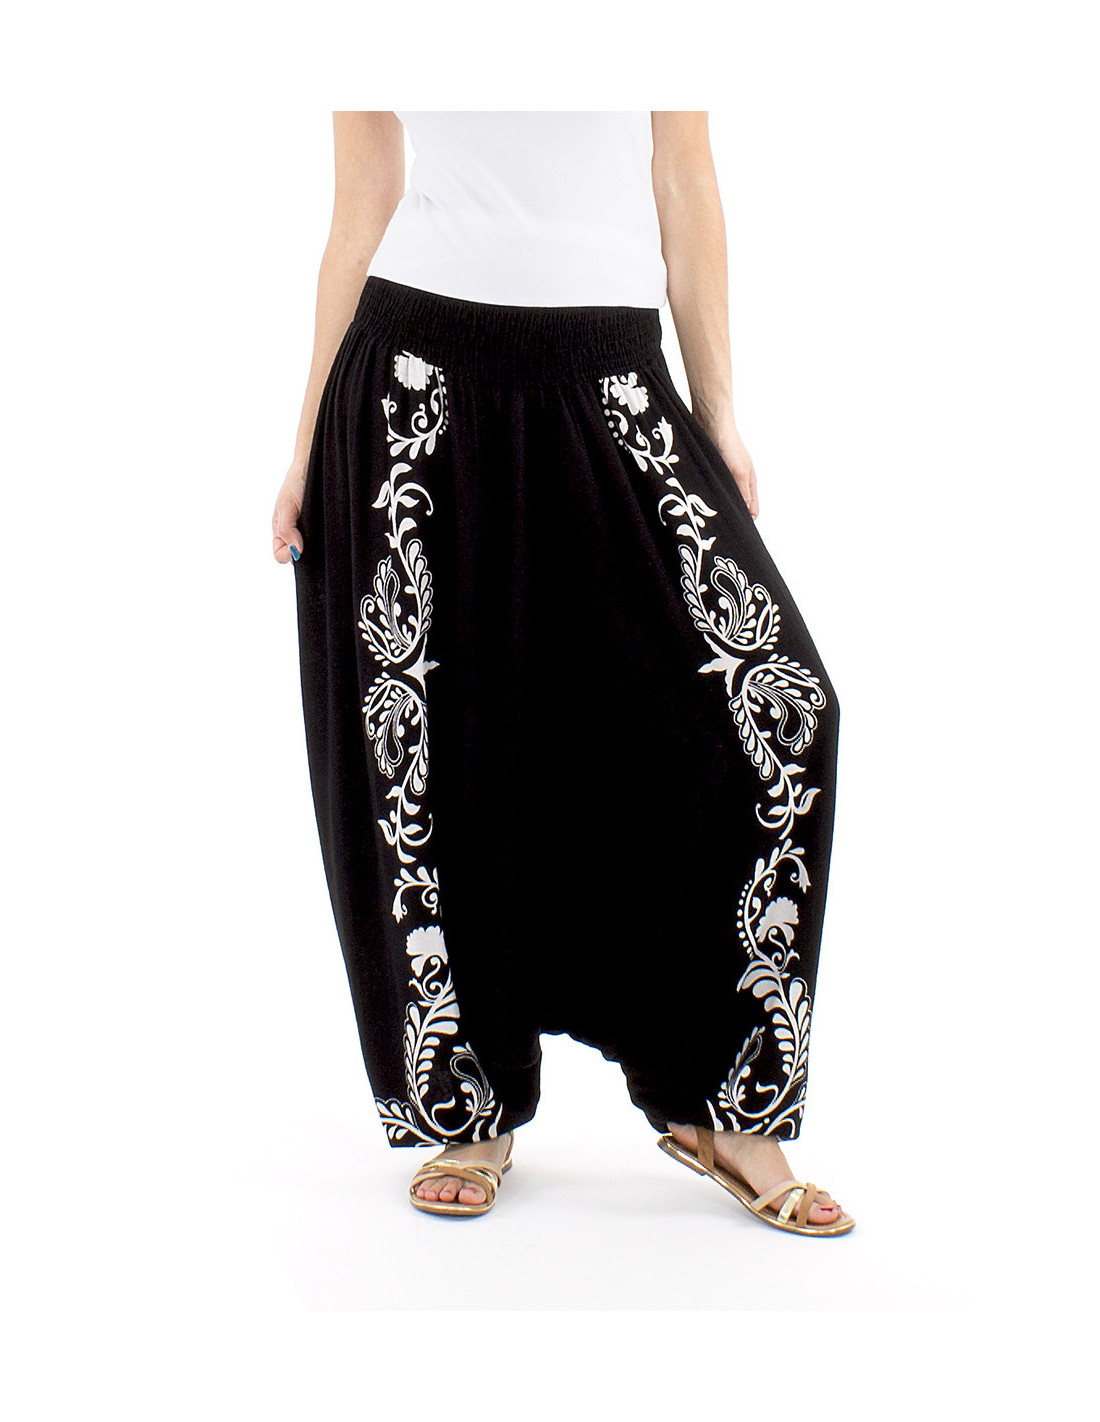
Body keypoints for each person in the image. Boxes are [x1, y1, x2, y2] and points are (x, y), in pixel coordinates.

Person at [271, 111, 854, 1236]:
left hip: (612, 374)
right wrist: (303, 449)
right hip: (413, 380)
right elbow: (363, 200)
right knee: (447, 755)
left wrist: (719, 413)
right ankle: (469, 1107)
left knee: (777, 714)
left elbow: (682, 172)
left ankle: (722, 1104)